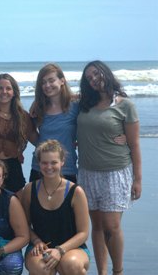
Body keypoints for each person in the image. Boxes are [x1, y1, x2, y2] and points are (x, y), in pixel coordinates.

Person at [77, 60, 142, 275]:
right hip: (87, 172)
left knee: (111, 226)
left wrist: (138, 179)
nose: (93, 79)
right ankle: (102, 272)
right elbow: (58, 100)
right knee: (96, 226)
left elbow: (134, 144)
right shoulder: (84, 103)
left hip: (116, 172)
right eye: (89, 78)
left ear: (105, 73)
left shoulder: (125, 105)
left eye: (96, 74)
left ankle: (118, 270)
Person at [22, 140, 90, 275]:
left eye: (54, 162)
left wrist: (60, 250)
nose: (49, 167)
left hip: (72, 247)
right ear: (38, 163)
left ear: (62, 162)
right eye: (44, 163)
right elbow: (24, 225)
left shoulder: (76, 192)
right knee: (42, 269)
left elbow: (83, 233)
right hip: (39, 247)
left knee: (71, 264)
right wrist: (36, 241)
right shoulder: (30, 189)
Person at [0, 73, 37, 197]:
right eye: (0, 88)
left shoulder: (23, 116)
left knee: (16, 208)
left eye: (8, 88)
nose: (4, 92)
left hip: (13, 167)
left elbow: (37, 140)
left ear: (14, 92)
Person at [29, 64, 79, 183]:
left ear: (62, 81)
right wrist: (45, 147)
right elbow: (30, 132)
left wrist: (122, 136)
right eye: (43, 82)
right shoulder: (38, 108)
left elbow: (96, 120)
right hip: (40, 167)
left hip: (66, 168)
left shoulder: (76, 106)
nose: (47, 85)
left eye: (51, 80)